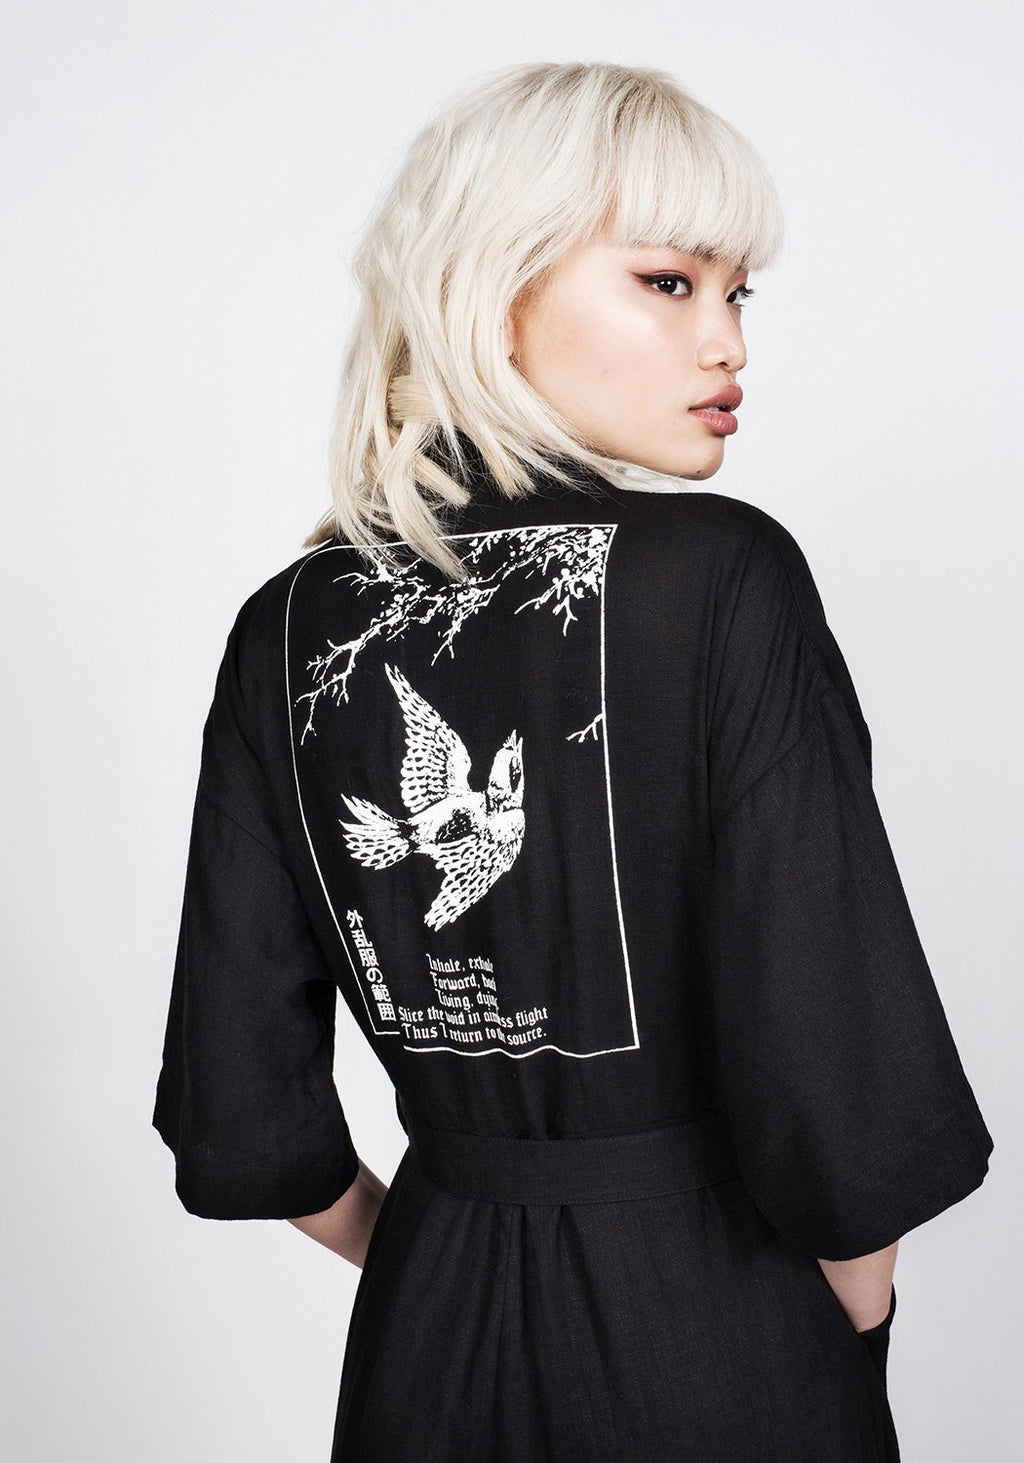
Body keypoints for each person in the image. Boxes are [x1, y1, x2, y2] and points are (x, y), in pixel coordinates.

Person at [152, 61, 994, 1462]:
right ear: (492, 290)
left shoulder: (287, 624)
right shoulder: (725, 577)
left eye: (739, 293)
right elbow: (843, 1079)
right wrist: (843, 1334)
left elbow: (243, 1115)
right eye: (668, 281)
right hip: (722, 1342)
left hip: (423, 1349)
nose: (727, 343)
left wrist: (448, 1246)